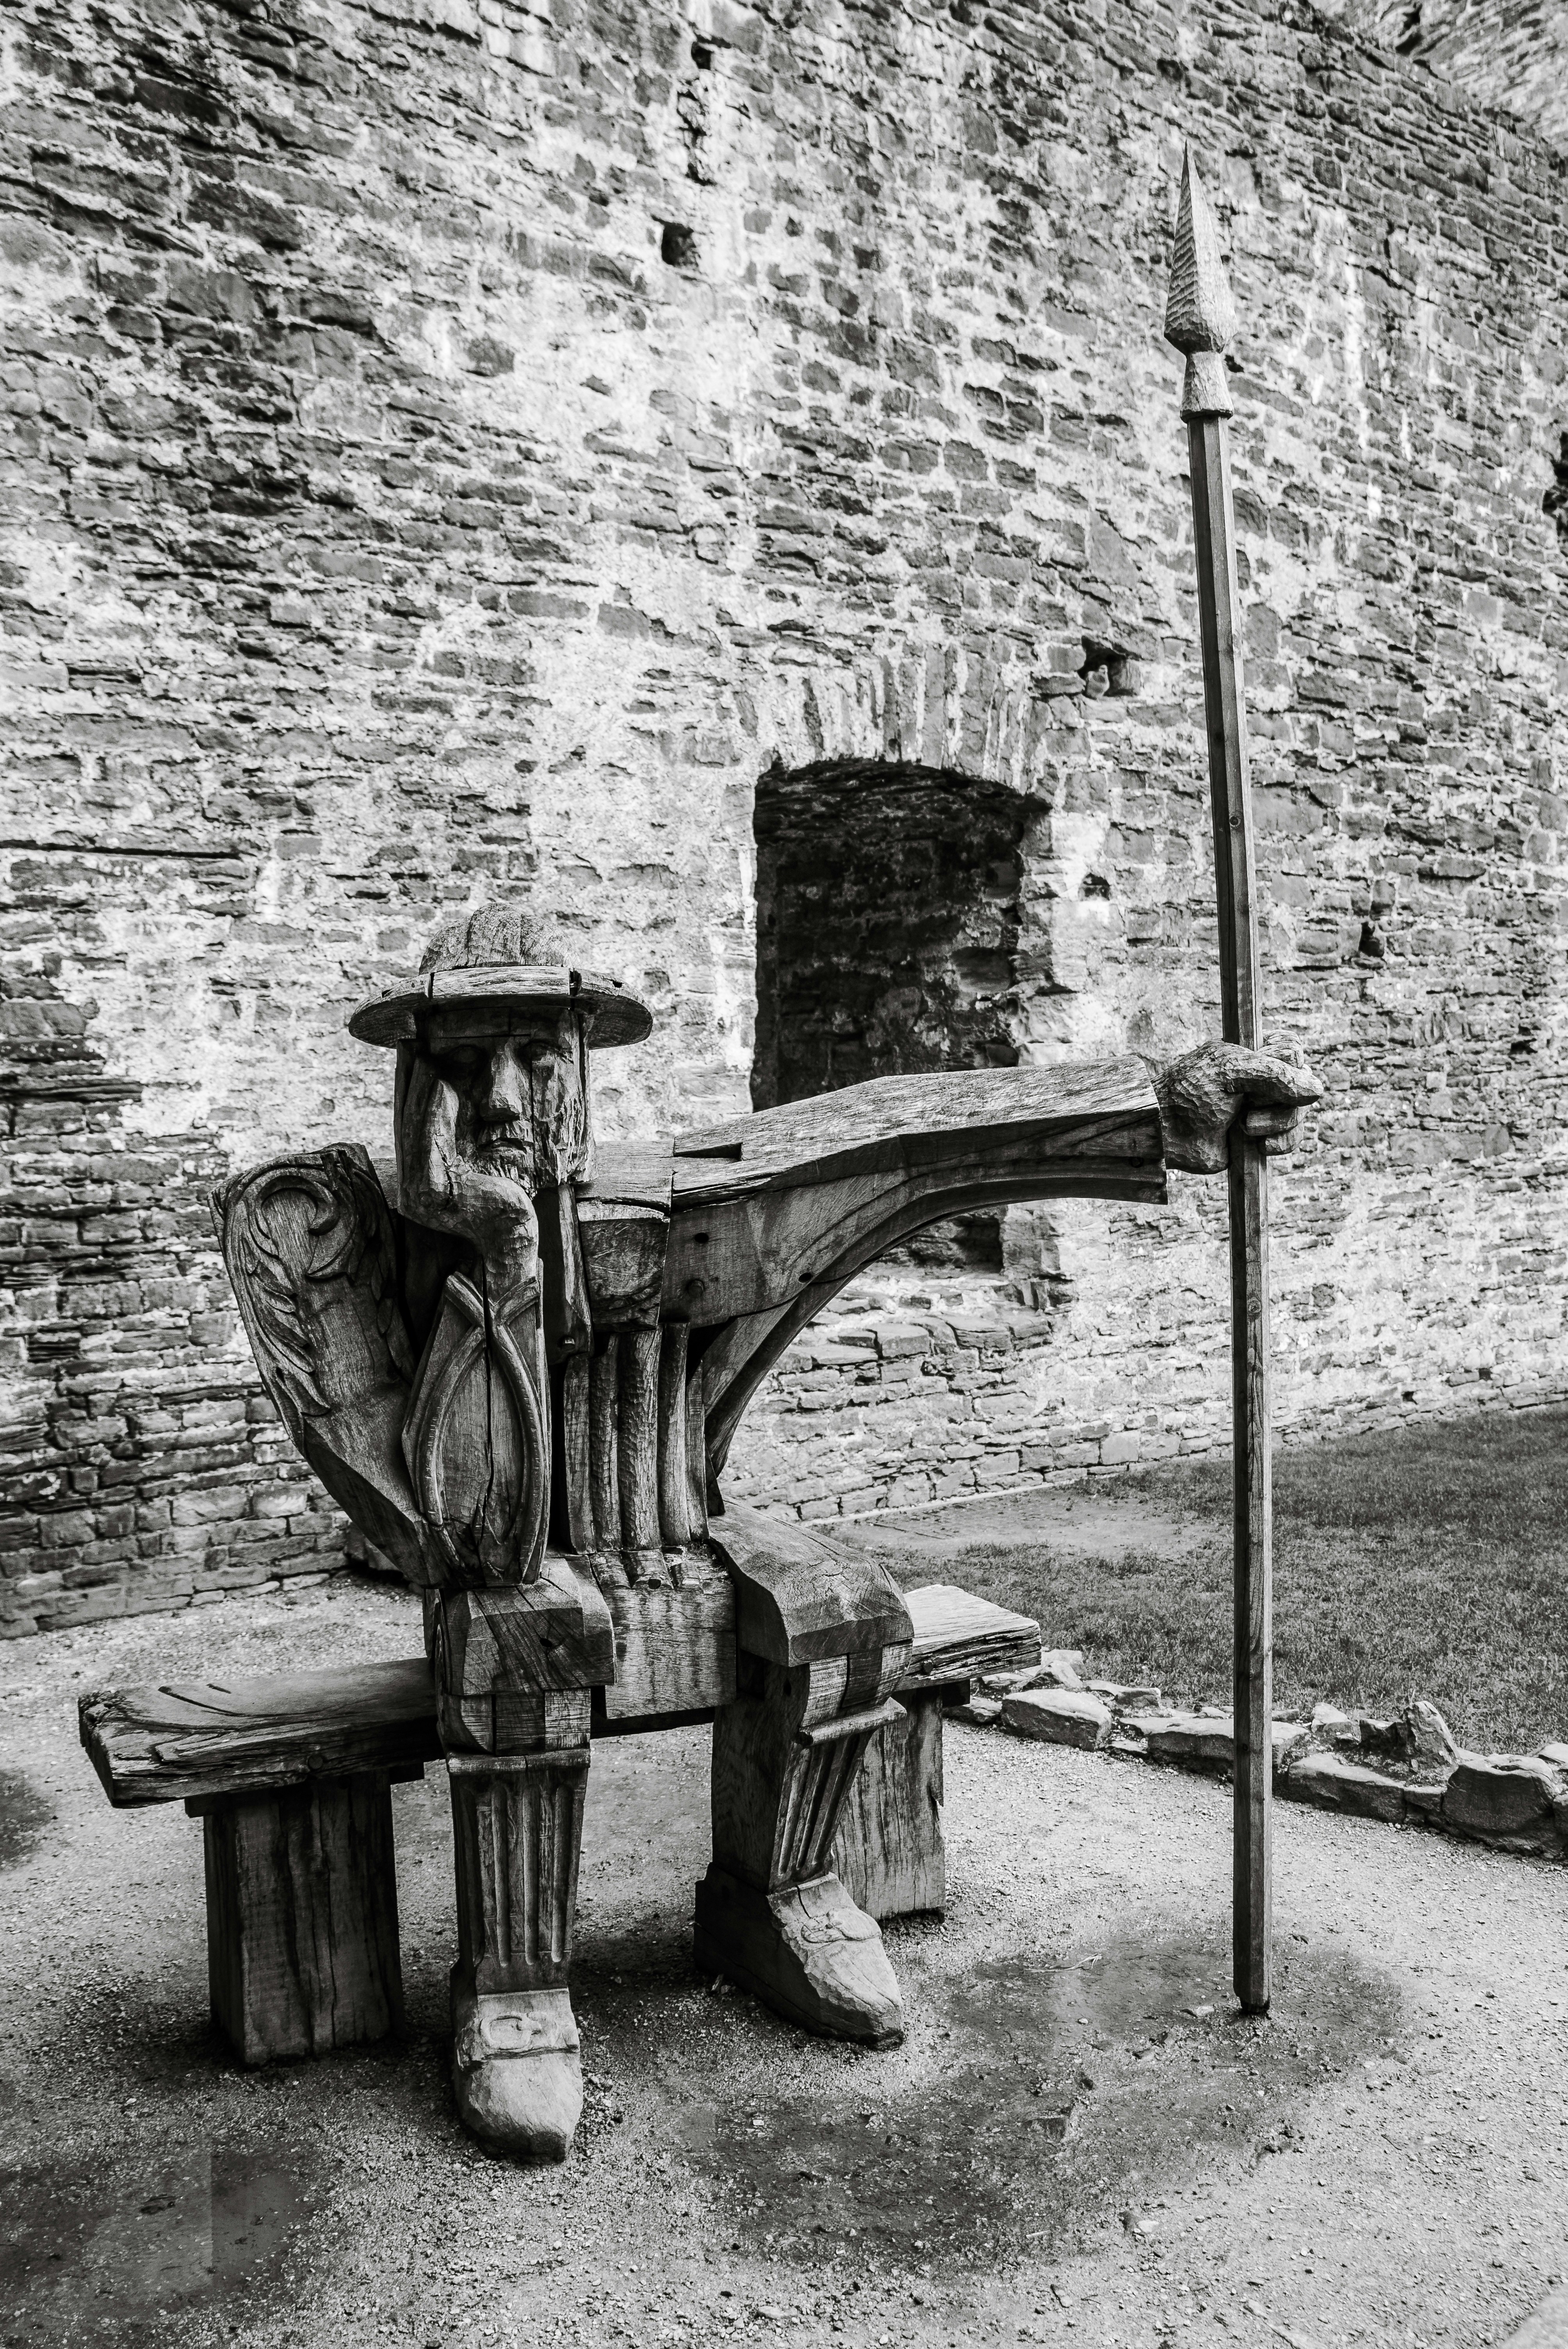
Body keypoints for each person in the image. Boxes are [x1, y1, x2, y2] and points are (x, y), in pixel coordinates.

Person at [221, 900, 1320, 2157]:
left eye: (537, 1057)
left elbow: (907, 1137)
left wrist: (1160, 1105)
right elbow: (468, 1521)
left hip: (681, 1538)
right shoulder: (366, 1244)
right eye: (466, 1066)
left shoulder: (694, 1199)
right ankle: (516, 1985)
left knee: (842, 1609)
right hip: (511, 1566)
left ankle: (780, 1894)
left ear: (582, 1063)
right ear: (417, 1085)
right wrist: (506, 1250)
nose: (507, 1098)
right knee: (520, 1648)